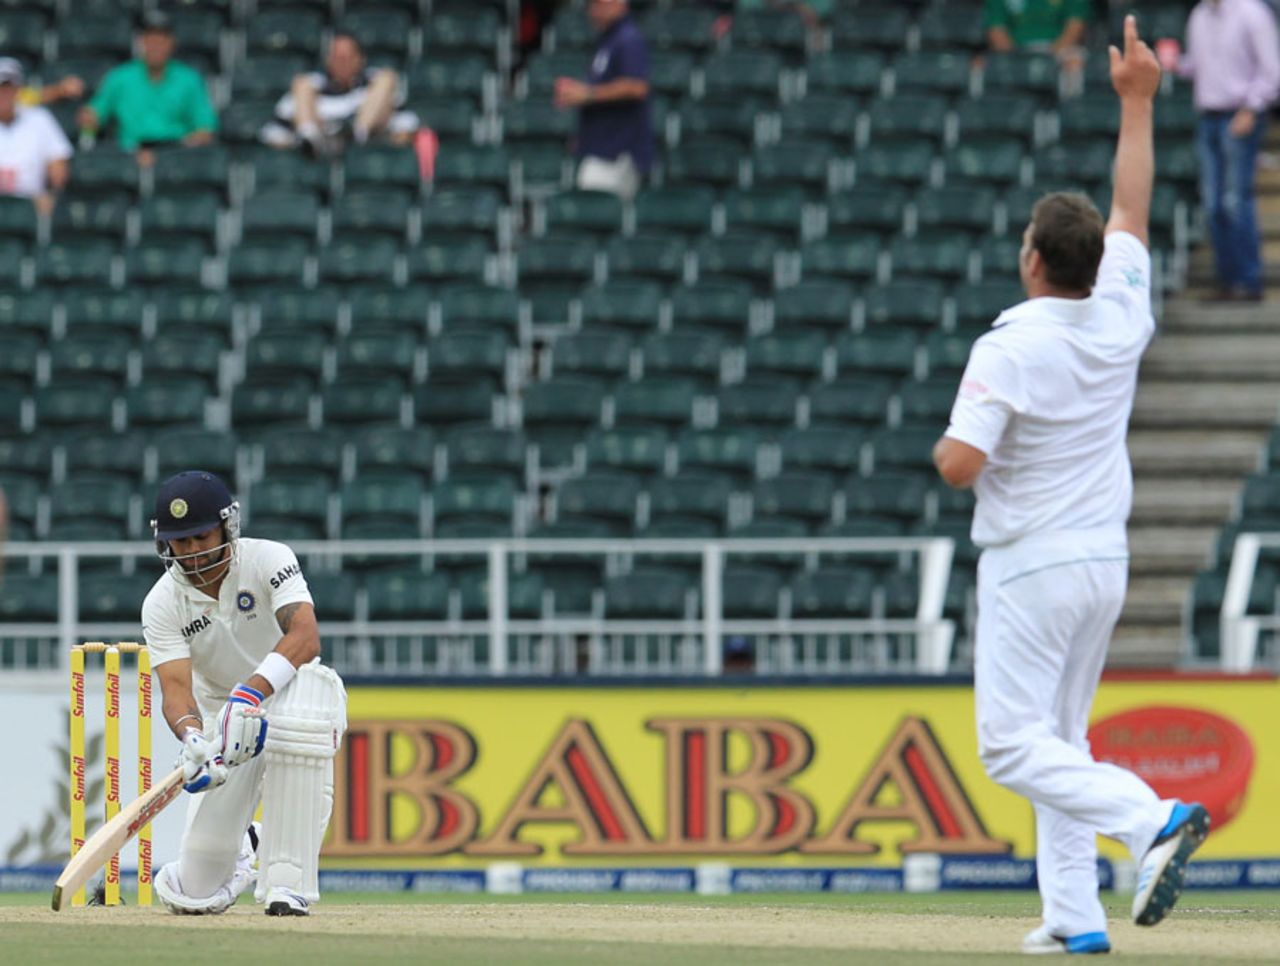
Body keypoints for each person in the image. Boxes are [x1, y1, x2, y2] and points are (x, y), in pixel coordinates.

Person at [933, 17, 1208, 955]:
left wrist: (946, 450)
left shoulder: (1011, 344)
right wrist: (1136, 104)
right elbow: (1131, 213)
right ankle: (1073, 918)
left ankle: (1151, 821)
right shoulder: (1120, 307)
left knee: (1011, 746)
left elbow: (962, 464)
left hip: (1031, 563)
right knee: (1060, 742)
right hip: (1103, 558)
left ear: (1034, 261)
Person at [141, 470, 347, 917]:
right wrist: (192, 737)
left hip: (291, 691)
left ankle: (286, 884)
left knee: (302, 717)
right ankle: (249, 846)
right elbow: (175, 690)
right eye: (181, 542)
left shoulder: (268, 558)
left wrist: (249, 695)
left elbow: (306, 636)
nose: (193, 551)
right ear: (165, 543)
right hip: (221, 715)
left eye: (201, 536)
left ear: (226, 526)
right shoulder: (161, 603)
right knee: (194, 891)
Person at [1179, 0, 1280, 301]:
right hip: (1208, 116)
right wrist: (1173, 63)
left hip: (1240, 115)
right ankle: (1227, 280)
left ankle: (1249, 280)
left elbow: (1272, 71)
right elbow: (1195, 66)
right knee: (1213, 204)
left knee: (1236, 199)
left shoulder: (1252, 13)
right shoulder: (1197, 15)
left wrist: (1251, 108)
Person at [76, 12, 217, 166]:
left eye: (162, 39)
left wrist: (171, 153)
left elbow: (205, 129)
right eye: (150, 39)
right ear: (141, 42)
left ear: (172, 43)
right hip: (130, 154)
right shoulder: (119, 77)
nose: (155, 45)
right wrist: (89, 117)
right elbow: (95, 113)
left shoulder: (189, 79)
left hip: (176, 154)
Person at [553, 0, 653, 200]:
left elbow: (638, 87)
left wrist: (587, 94)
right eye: (594, 4)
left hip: (617, 152)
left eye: (602, 3)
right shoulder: (608, 40)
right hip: (603, 148)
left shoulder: (628, 38)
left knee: (593, 211)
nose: (595, 10)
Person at [260, 32, 416, 158]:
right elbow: (273, 133)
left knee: (387, 77)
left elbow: (406, 127)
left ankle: (356, 134)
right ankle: (311, 137)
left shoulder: (373, 83)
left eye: (347, 58)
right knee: (302, 83)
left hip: (363, 148)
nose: (342, 63)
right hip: (318, 149)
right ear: (327, 60)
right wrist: (297, 145)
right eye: (336, 58)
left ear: (360, 60)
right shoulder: (312, 85)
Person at [0, 58, 72, 216]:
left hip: (30, 205)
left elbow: (58, 167)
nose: (4, 94)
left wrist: (52, 196)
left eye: (8, 87)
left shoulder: (39, 118)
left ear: (18, 89)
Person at [985, 0, 1090, 62]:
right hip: (1016, 52)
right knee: (980, 63)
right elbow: (996, 30)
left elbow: (1074, 27)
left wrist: (1049, 59)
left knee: (1075, 61)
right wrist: (1014, 60)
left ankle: (1071, 100)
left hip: (1059, 51)